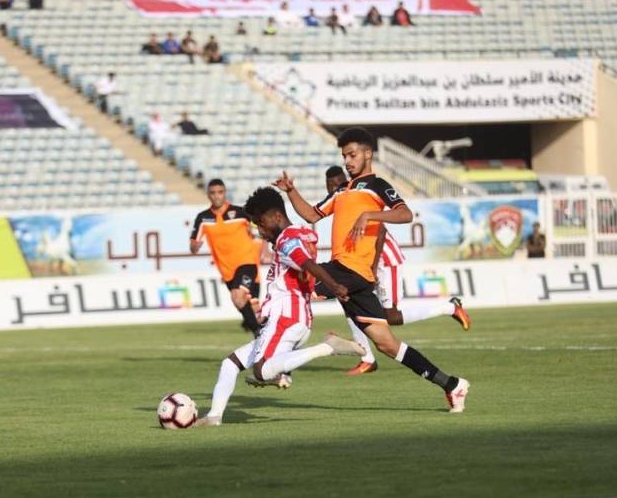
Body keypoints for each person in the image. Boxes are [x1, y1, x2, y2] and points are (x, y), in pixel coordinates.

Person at [274, 127, 470, 412]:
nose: (347, 161)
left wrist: (370, 214)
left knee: (295, 291)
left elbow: (405, 213)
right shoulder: (342, 190)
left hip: (349, 270)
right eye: (344, 156)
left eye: (352, 155)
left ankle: (278, 368)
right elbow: (311, 215)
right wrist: (291, 191)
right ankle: (452, 385)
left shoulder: (377, 185)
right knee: (388, 345)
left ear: (368, 154)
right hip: (354, 277)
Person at [195, 188, 366, 427]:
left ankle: (327, 347)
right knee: (230, 363)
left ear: (276, 216)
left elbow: (306, 263)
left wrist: (334, 286)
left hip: (286, 317)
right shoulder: (298, 235)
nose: (260, 231)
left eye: (261, 223)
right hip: (292, 318)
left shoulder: (287, 240)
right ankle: (214, 416)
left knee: (261, 370)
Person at [321, 166, 470, 375]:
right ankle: (367, 358)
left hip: (384, 259)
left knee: (390, 316)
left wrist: (372, 269)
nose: (334, 189)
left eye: (338, 184)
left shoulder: (357, 196)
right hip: (362, 264)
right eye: (330, 186)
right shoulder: (340, 201)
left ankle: (449, 307)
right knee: (349, 302)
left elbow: (381, 232)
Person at [190, 179, 263, 338]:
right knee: (250, 307)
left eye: (220, 192)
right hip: (227, 271)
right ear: (208, 195)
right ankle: (263, 332)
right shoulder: (203, 218)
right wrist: (195, 246)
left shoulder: (241, 212)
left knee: (238, 296)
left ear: (225, 193)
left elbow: (260, 228)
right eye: (213, 193)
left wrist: (263, 246)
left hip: (247, 263)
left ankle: (259, 335)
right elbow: (193, 244)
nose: (217, 196)